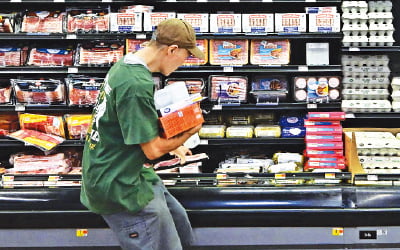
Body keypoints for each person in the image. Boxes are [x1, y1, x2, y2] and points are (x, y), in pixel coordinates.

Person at [80, 18, 205, 250]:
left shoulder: (126, 65)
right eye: (186, 56)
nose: (185, 62)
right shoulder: (136, 84)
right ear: (172, 50)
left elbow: (125, 121)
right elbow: (153, 149)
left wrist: (174, 142)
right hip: (117, 184)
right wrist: (190, 130)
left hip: (129, 171)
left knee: (181, 229)